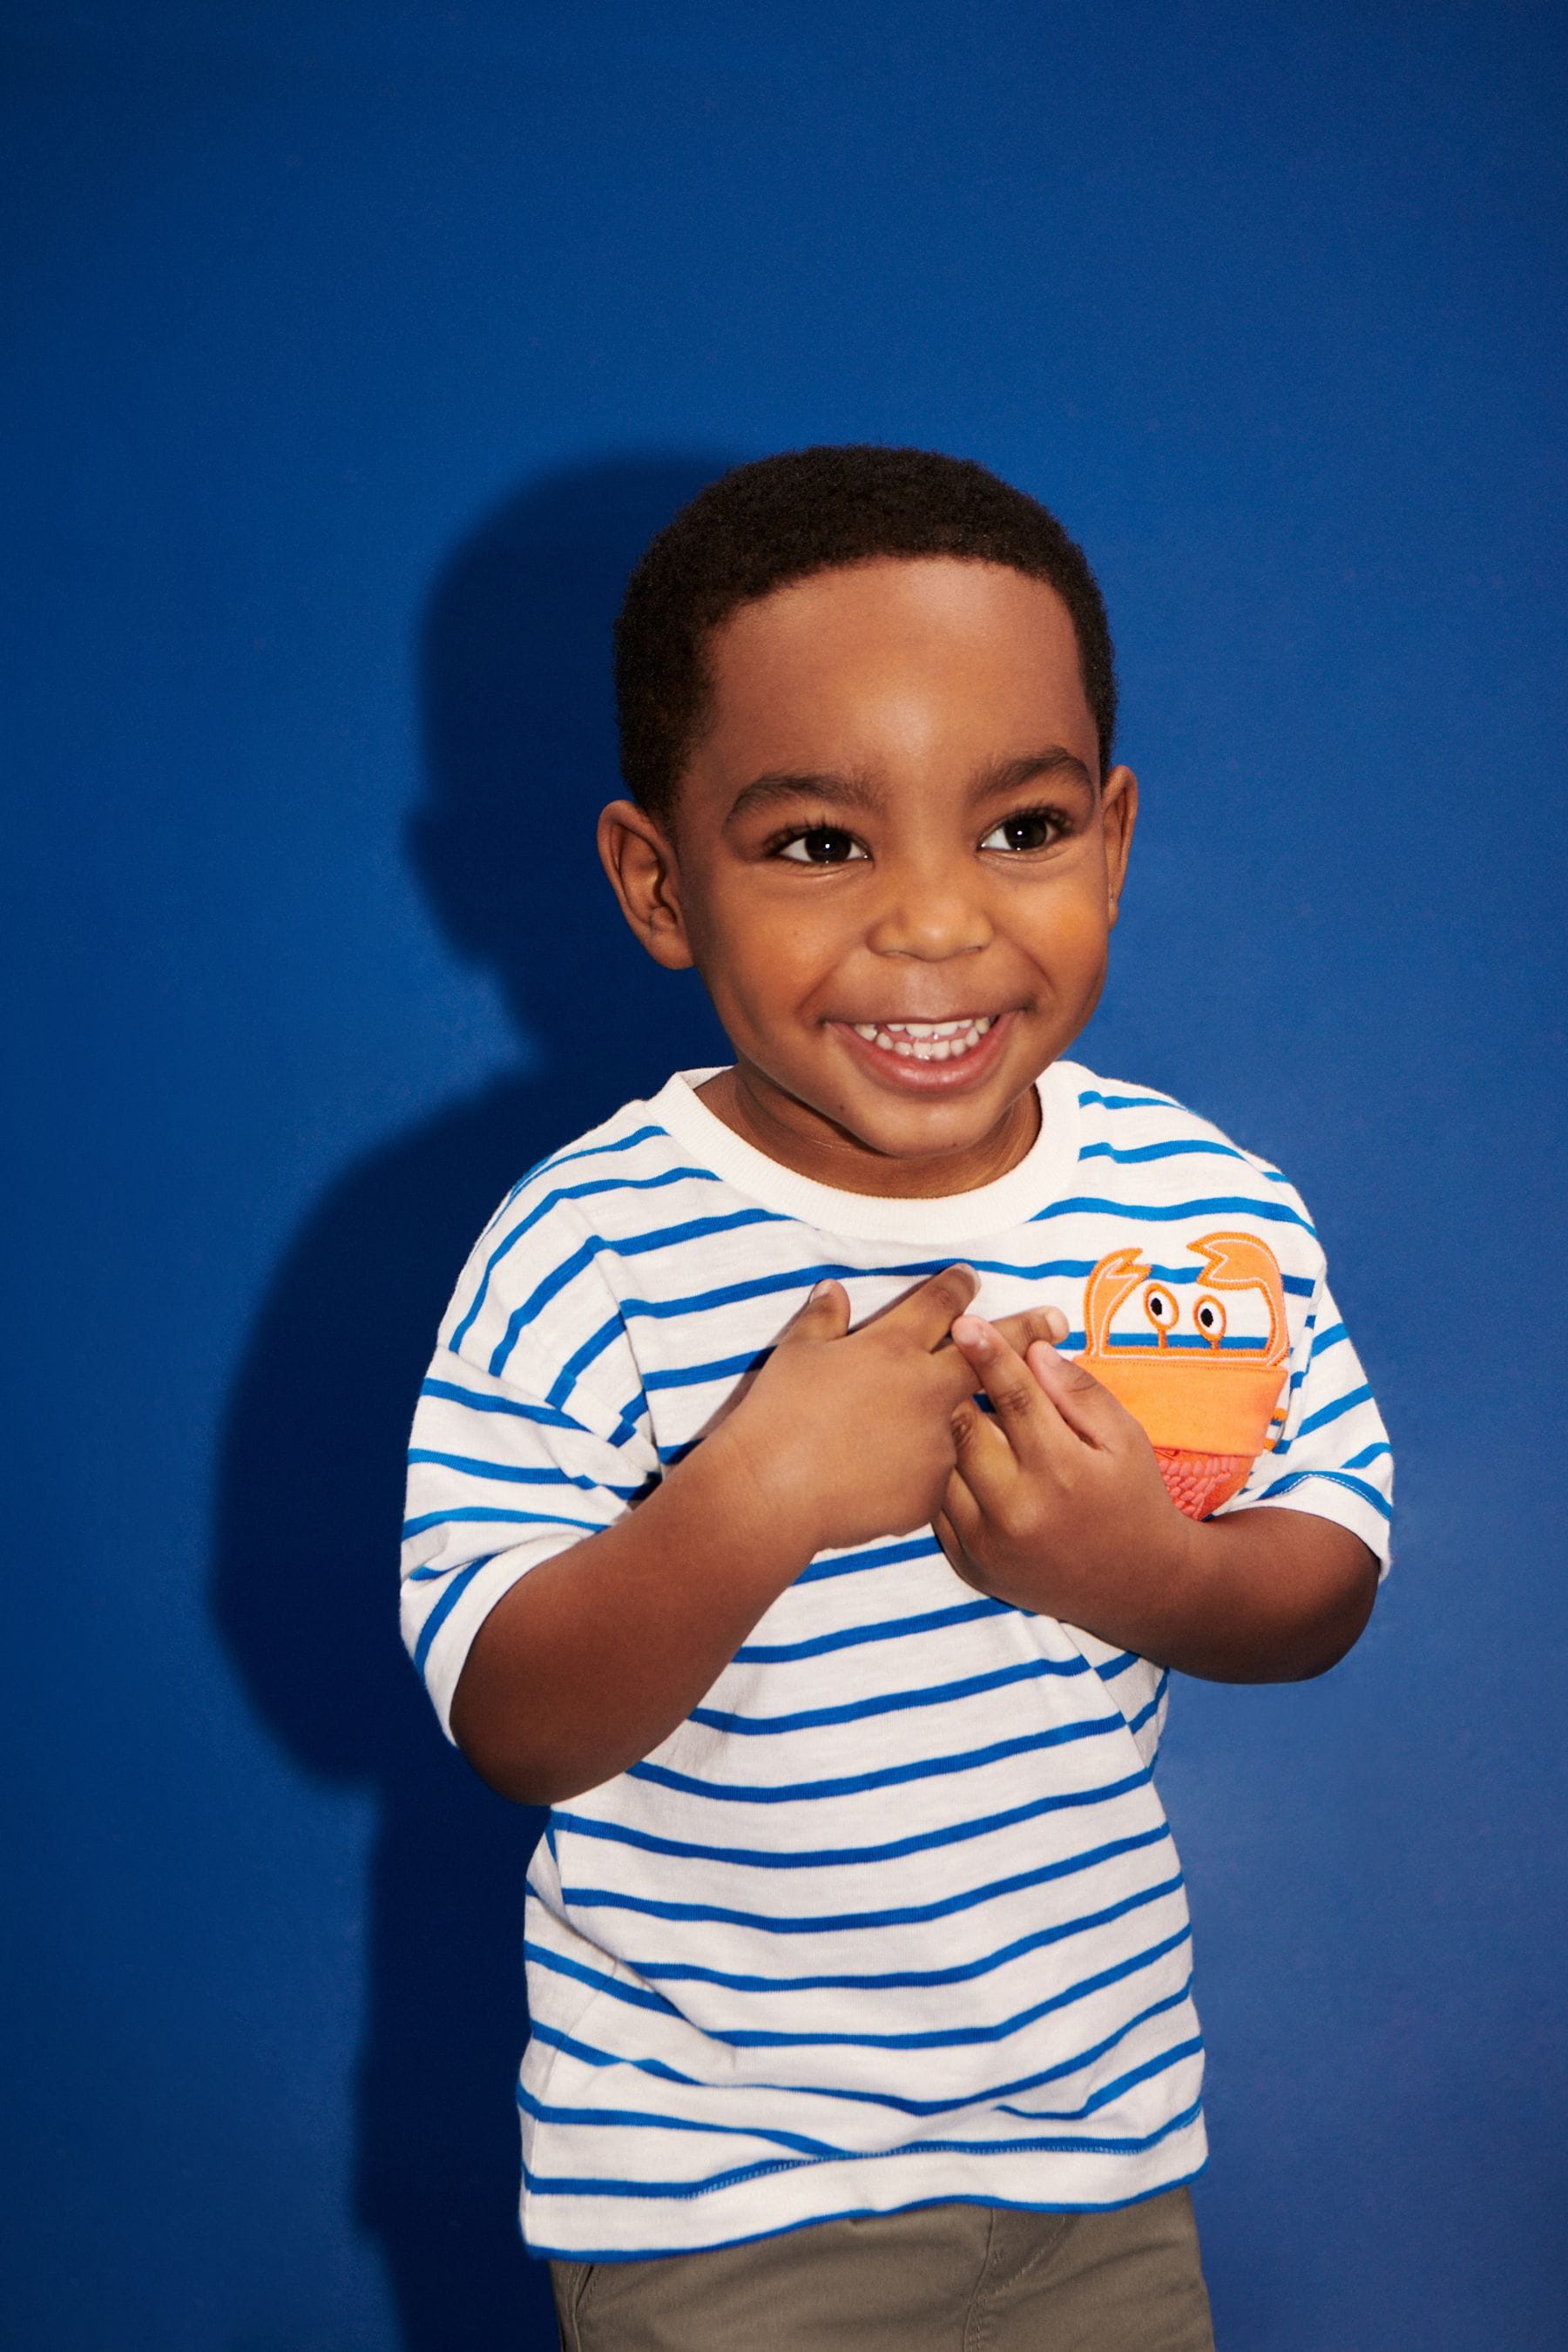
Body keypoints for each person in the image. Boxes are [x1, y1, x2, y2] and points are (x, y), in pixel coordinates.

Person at [400, 446, 1392, 2349]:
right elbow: (510, 1714)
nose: (936, 923)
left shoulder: (1196, 1211)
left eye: (1017, 829)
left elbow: (1330, 1567)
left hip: (1100, 2155)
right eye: (821, 844)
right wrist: (752, 1496)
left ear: (1111, 837)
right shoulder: (588, 1250)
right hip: (720, 2193)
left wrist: (1146, 1575)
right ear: (655, 881)